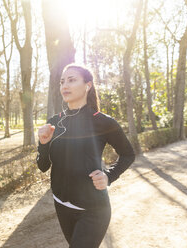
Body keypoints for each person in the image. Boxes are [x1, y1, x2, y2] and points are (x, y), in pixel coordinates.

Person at [36, 64, 135, 248]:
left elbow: (128, 154)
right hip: (61, 205)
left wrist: (109, 176)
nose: (65, 85)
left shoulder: (103, 121)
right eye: (62, 81)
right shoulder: (53, 122)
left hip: (94, 210)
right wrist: (43, 144)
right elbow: (43, 166)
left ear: (87, 85)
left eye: (72, 80)